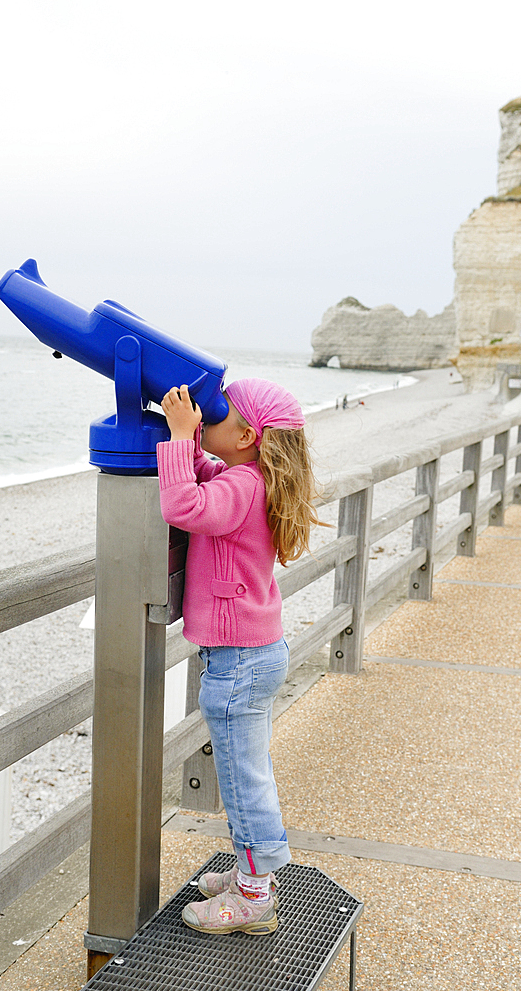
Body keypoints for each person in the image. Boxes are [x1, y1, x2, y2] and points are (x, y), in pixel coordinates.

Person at [157, 378, 324, 936]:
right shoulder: (252, 479)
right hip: (251, 654)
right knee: (246, 773)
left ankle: (254, 897)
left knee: (242, 780)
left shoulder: (244, 489)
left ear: (248, 436)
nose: (208, 419)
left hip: (237, 661)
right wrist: (186, 443)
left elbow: (184, 503)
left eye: (218, 416)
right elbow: (208, 481)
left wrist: (181, 435)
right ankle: (251, 875)